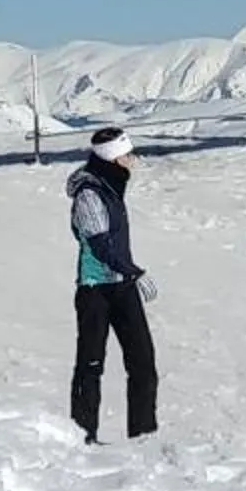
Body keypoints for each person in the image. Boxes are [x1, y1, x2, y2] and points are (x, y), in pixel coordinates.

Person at [67, 129, 159, 443]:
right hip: (96, 289)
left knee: (143, 361)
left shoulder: (110, 185)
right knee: (91, 364)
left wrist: (129, 275)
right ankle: (83, 434)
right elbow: (101, 246)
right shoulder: (89, 193)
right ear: (112, 157)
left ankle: (143, 434)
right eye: (127, 154)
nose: (132, 160)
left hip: (122, 286)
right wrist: (135, 272)